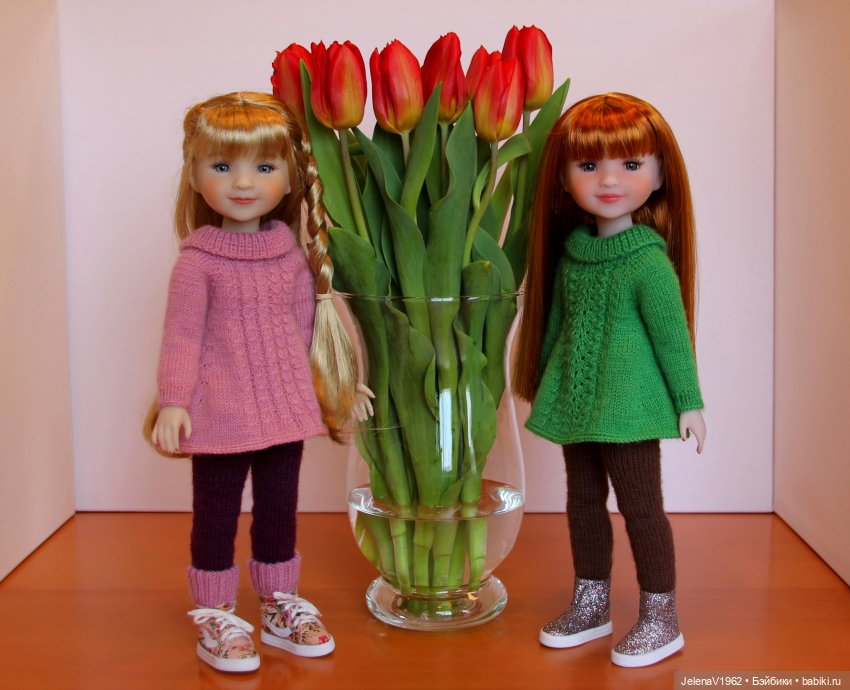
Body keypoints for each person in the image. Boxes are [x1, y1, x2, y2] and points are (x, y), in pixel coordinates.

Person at [144, 92, 371, 673]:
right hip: (220, 414)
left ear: (290, 177)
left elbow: (309, 331)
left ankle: (278, 602)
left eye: (264, 167)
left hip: (284, 410)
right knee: (215, 513)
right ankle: (216, 611)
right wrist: (174, 401)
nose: (243, 183)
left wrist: (341, 387)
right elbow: (182, 338)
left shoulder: (291, 259)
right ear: (194, 175)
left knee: (278, 510)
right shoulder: (197, 264)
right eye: (222, 166)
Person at [512, 92, 706, 667]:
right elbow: (557, 328)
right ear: (563, 177)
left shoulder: (648, 262)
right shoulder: (573, 257)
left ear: (660, 174)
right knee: (582, 504)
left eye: (631, 163)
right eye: (589, 165)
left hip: (630, 410)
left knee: (642, 508)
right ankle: (591, 602)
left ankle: (661, 616)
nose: (609, 180)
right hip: (576, 406)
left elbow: (672, 338)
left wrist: (689, 402)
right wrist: (542, 382)